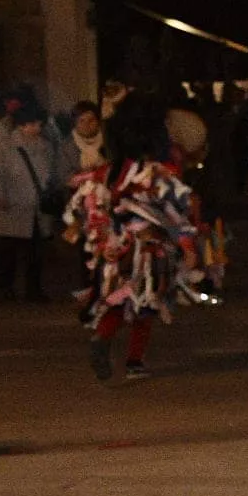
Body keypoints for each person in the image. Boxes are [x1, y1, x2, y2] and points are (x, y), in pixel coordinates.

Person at [67, 93, 208, 381]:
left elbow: (91, 209)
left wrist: (100, 241)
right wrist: (187, 246)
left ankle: (102, 338)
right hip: (150, 249)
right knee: (146, 303)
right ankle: (134, 362)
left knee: (118, 300)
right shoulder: (158, 174)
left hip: (115, 248)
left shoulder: (107, 172)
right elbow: (174, 214)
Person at [0, 87, 63, 302]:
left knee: (35, 251)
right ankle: (6, 286)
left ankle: (32, 289)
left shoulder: (44, 146)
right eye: (34, 124)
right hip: (13, 205)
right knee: (9, 250)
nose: (38, 128)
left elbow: (51, 174)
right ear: (23, 125)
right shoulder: (5, 146)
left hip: (35, 207)